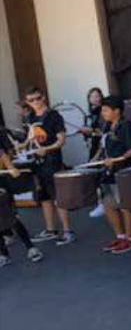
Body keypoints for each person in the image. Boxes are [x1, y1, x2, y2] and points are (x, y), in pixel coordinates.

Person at [20, 87, 74, 246]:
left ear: (43, 97)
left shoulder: (53, 115)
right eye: (31, 100)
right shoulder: (30, 117)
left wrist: (47, 149)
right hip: (37, 162)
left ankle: (68, 231)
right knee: (44, 197)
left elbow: (61, 140)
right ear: (27, 102)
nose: (35, 102)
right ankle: (51, 230)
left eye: (37, 98)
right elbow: (31, 137)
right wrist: (21, 145)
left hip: (52, 161)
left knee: (58, 197)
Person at [97, 96, 131, 255]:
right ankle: (120, 236)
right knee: (108, 204)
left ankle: (130, 239)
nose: (103, 113)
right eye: (102, 110)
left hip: (124, 171)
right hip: (108, 171)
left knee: (126, 205)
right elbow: (103, 148)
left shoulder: (127, 126)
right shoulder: (107, 126)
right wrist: (95, 160)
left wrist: (118, 159)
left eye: (105, 110)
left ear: (116, 111)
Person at [0, 141, 43, 266]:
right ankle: (3, 254)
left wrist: (12, 169)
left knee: (13, 220)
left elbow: (6, 161)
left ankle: (31, 248)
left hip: (2, 190)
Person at [80, 87, 107, 218]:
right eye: (92, 96)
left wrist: (92, 131)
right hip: (94, 147)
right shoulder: (91, 114)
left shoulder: (104, 111)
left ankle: (105, 204)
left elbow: (105, 132)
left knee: (102, 175)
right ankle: (101, 203)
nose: (95, 99)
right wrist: (86, 134)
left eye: (97, 96)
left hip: (103, 148)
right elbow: (90, 134)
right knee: (95, 176)